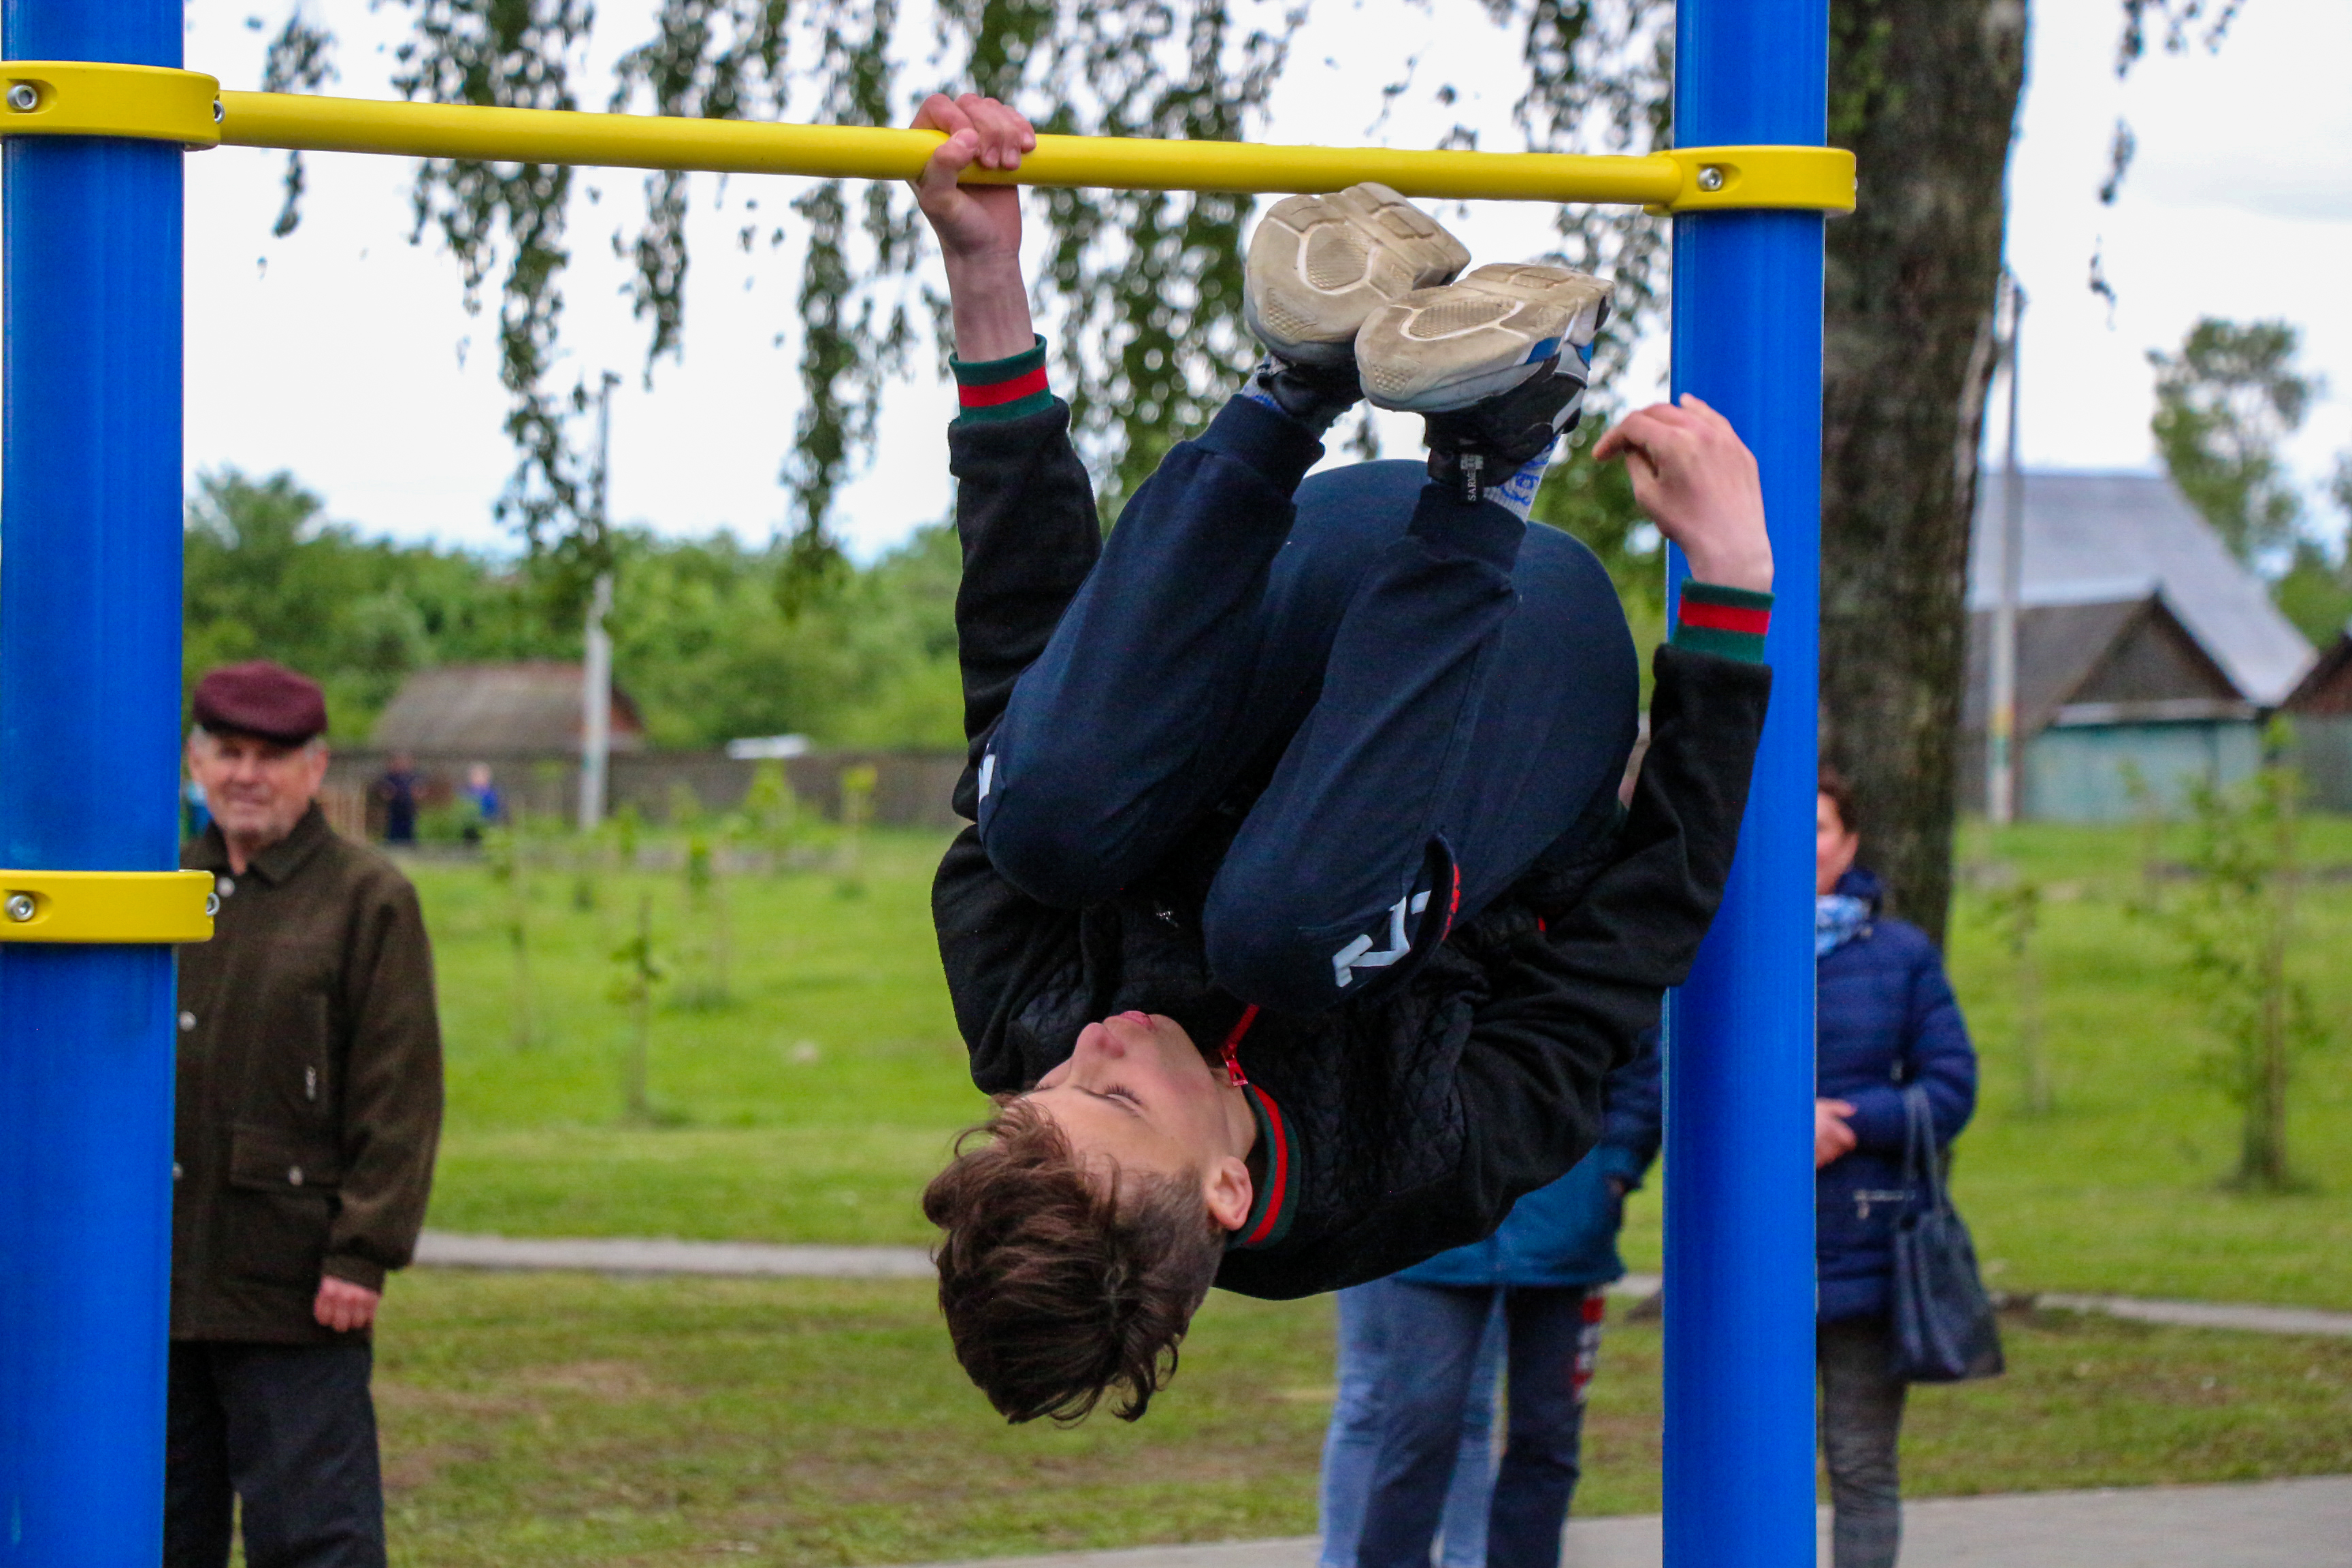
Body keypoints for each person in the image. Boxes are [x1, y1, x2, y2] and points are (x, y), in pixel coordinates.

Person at [915, 91, 1776, 1424]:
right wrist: (1727, 597)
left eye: (1050, 1088)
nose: (1092, 1045)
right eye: (1118, 1101)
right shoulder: (1417, 1167)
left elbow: (1039, 662)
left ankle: (1298, 379)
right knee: (1277, 936)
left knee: (1040, 826)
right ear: (1223, 1193)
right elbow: (1631, 940)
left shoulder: (1024, 1009)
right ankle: (1498, 454)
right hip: (1518, 681)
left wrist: (986, 279)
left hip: (1303, 569)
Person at [170, 659, 445, 1568]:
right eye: (228, 752)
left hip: (298, 1287)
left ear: (316, 769)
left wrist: (362, 1252)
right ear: (195, 762)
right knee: (162, 1534)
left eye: (271, 756)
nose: (246, 774)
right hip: (158, 1285)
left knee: (313, 1540)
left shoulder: (368, 899)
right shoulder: (160, 890)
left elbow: (397, 1091)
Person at [1321, 1029, 1662, 1568]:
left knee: (1547, 1437)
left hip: (1566, 1232)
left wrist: (1613, 1170)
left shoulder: (1588, 950)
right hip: (1434, 1234)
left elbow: (1638, 1058)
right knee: (1420, 1428)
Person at [1812, 766, 1979, 1568]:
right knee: (1745, 1463)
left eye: (1818, 830)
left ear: (1850, 844)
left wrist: (1846, 1123)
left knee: (1861, 1464)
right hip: (1749, 1257)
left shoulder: (1904, 956)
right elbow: (1668, 1074)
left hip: (1868, 1244)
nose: (1802, 848)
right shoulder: (1716, 949)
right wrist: (1779, 1129)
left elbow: (1951, 1088)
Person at [372, 751, 420, 845]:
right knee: (393, 832)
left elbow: (419, 791)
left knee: (409, 830)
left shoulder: (413, 778)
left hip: (408, 809)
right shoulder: (388, 778)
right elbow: (382, 792)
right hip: (393, 810)